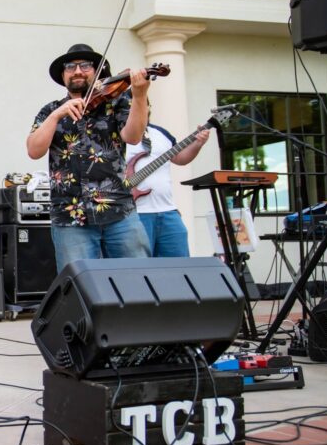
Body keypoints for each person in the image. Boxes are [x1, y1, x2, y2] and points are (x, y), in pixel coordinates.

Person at [26, 44, 152, 273]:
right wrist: (57, 115)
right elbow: (34, 150)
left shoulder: (117, 103)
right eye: (70, 67)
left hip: (118, 211)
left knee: (138, 279)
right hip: (70, 216)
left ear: (97, 72)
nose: (77, 71)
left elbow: (133, 137)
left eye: (85, 65)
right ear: (63, 75)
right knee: (79, 287)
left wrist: (140, 95)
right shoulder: (50, 110)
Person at [125, 123, 210, 256]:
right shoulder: (115, 132)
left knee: (178, 265)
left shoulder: (161, 133)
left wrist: (198, 144)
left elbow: (180, 158)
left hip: (168, 210)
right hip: (134, 214)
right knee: (140, 268)